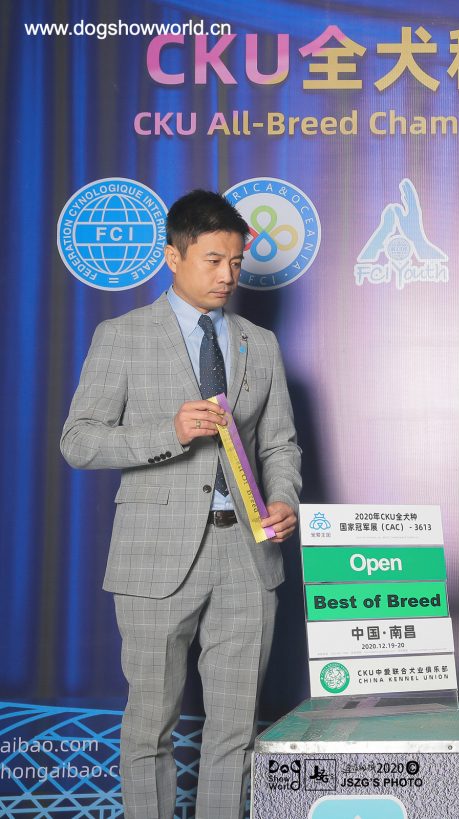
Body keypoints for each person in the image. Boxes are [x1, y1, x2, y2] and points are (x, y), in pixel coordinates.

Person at [60, 189, 302, 818]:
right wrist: (167, 431)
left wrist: (283, 497)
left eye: (236, 263)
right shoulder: (121, 336)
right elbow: (78, 441)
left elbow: (279, 443)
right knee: (149, 726)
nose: (228, 276)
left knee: (235, 731)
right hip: (153, 558)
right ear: (173, 256)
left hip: (248, 556)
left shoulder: (260, 343)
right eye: (213, 260)